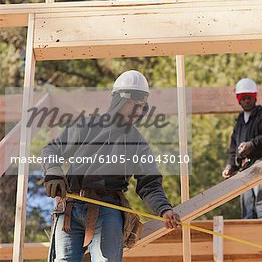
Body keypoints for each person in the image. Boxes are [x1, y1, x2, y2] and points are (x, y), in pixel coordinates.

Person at [42, 70, 180, 261]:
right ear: (118, 101)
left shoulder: (137, 142)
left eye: (141, 107)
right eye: (133, 104)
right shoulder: (86, 126)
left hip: (107, 209)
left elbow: (149, 184)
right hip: (70, 209)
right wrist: (53, 171)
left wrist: (164, 209)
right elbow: (52, 150)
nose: (138, 111)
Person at [222, 78, 262, 219]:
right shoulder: (240, 122)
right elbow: (233, 146)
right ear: (239, 100)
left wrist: (252, 145)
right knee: (247, 208)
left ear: (254, 98)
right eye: (243, 99)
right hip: (245, 168)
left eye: (249, 98)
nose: (246, 101)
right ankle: (247, 236)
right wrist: (230, 165)